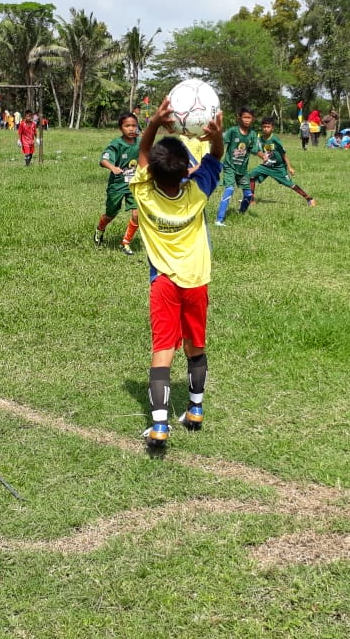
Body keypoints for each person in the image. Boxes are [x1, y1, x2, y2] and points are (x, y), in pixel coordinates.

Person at [129, 96, 224, 448]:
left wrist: (153, 121)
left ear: (151, 171)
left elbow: (143, 152)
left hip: (164, 283)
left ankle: (159, 426)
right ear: (187, 169)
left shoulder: (143, 192)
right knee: (195, 342)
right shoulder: (198, 192)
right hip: (197, 281)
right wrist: (215, 135)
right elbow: (215, 158)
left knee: (163, 349)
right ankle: (195, 409)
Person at [93, 112, 141, 255]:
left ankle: (125, 243)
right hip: (117, 184)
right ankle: (100, 229)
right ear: (121, 128)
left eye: (134, 125)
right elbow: (104, 159)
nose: (131, 129)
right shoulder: (116, 144)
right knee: (111, 214)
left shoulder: (141, 143)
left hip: (134, 184)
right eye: (127, 126)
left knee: (137, 214)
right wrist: (113, 167)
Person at [245, 117, 315, 209]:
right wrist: (262, 156)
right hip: (266, 166)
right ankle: (251, 199)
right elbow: (260, 151)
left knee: (289, 184)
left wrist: (289, 167)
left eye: (268, 127)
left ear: (272, 128)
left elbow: (284, 154)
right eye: (264, 127)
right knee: (251, 175)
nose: (266, 129)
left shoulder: (275, 140)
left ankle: (309, 198)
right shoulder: (260, 139)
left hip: (278, 168)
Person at [214, 107, 260, 226]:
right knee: (229, 189)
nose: (246, 120)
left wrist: (264, 156)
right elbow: (221, 143)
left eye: (249, 117)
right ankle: (219, 219)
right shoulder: (233, 131)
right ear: (239, 118)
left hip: (242, 170)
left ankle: (241, 214)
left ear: (252, 119)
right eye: (244, 117)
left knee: (249, 195)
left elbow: (255, 150)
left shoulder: (253, 135)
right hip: (230, 167)